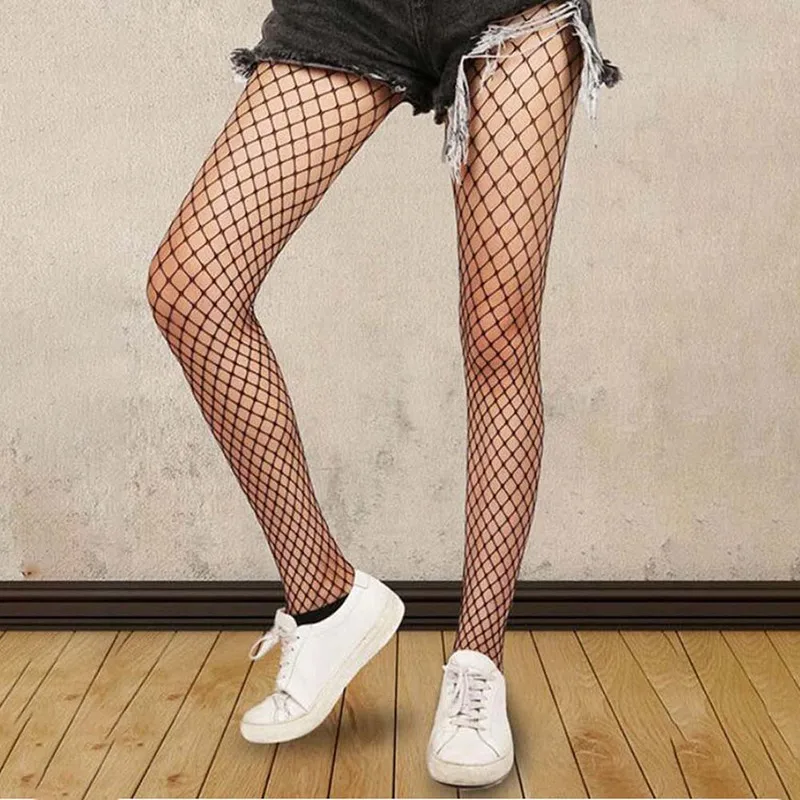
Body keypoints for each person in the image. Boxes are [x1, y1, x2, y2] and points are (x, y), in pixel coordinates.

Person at [146, 0, 620, 789]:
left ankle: (476, 668)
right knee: (192, 287)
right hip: (350, 9)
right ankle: (327, 601)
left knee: (499, 336)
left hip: (516, 13)